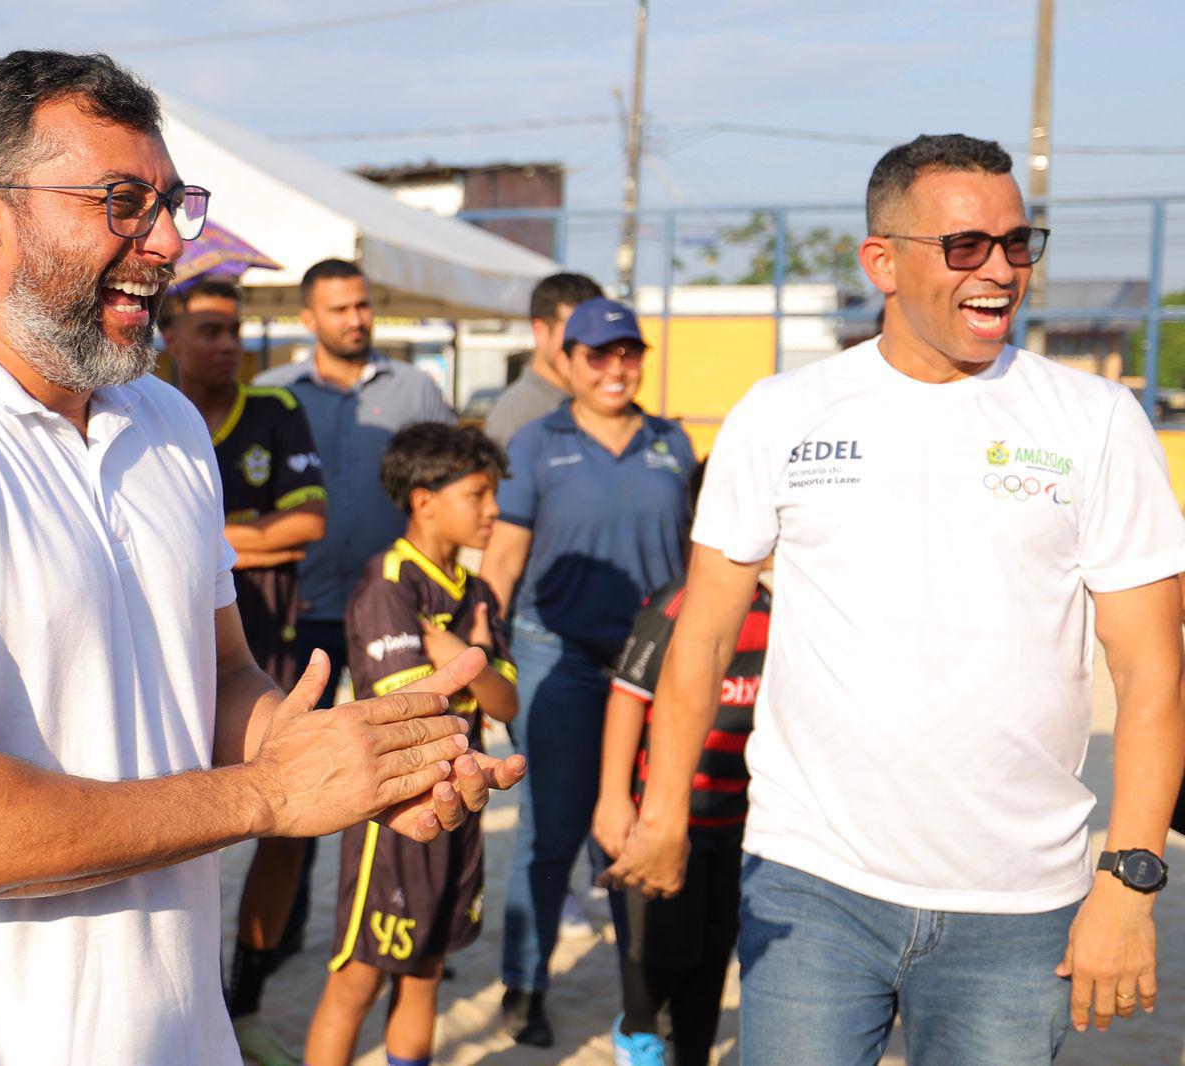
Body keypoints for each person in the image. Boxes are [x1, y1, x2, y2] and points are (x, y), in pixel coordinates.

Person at [0, 51, 522, 1066]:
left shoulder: (163, 424)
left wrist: (361, 761)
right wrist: (272, 796)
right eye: (122, 202)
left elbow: (220, 681)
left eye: (171, 203)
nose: (164, 243)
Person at [603, 134, 1185, 1065]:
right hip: (812, 885)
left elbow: (1152, 670)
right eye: (966, 247)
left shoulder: (1095, 422)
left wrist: (1129, 879)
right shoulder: (782, 414)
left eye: (1017, 243)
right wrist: (663, 812)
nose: (999, 269)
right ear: (883, 261)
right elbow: (703, 635)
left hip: (1020, 907)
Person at [480, 296, 696, 1047]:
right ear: (566, 361)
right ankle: (527, 985)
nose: (616, 367)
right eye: (598, 354)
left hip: (655, 666)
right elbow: (503, 557)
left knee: (647, 824)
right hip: (557, 656)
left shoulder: (674, 444)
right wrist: (486, 646)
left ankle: (643, 997)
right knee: (553, 829)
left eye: (628, 352)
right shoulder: (538, 443)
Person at [253, 259, 458, 953]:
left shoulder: (417, 390)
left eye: (362, 306)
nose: (355, 319)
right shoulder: (274, 395)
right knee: (298, 769)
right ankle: (281, 941)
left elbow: (448, 486)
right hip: (300, 610)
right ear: (308, 319)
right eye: (338, 309)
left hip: (387, 613)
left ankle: (409, 913)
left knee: (403, 762)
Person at [305, 422, 518, 1066]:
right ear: (425, 498)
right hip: (396, 812)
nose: (494, 510)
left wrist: (464, 659)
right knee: (358, 979)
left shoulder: (475, 593)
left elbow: (507, 701)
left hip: (463, 805)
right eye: (478, 494)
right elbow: (407, 706)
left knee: (427, 967)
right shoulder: (388, 583)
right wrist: (468, 675)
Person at [160, 278, 326, 1059]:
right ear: (169, 338)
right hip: (173, 654)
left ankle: (248, 1000)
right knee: (188, 822)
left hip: (269, 651)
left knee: (284, 828)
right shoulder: (141, 410)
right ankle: (188, 1001)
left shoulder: (277, 412)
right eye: (209, 330)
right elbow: (274, 532)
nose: (227, 344)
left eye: (235, 330)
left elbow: (310, 523)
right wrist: (255, 531)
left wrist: (205, 541)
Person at [592, 546, 772, 1066]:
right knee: (664, 947)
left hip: (740, 820)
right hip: (671, 820)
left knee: (715, 950)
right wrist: (613, 799)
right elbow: (627, 695)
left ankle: (692, 1052)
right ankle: (636, 1031)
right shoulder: (678, 605)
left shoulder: (774, 611)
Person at [482, 273, 603, 448]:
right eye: (575, 331)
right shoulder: (516, 415)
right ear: (540, 331)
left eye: (595, 331)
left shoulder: (600, 402)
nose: (587, 344)